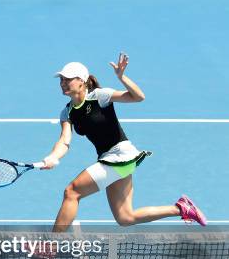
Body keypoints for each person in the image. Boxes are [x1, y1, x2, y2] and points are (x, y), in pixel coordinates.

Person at [41, 53, 206, 232]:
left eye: (68, 79)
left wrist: (122, 77)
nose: (63, 83)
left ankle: (51, 245)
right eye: (61, 80)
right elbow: (64, 140)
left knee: (71, 192)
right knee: (125, 217)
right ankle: (181, 208)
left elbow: (138, 97)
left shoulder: (99, 96)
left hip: (121, 155)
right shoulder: (67, 112)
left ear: (82, 80)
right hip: (109, 158)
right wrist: (53, 157)